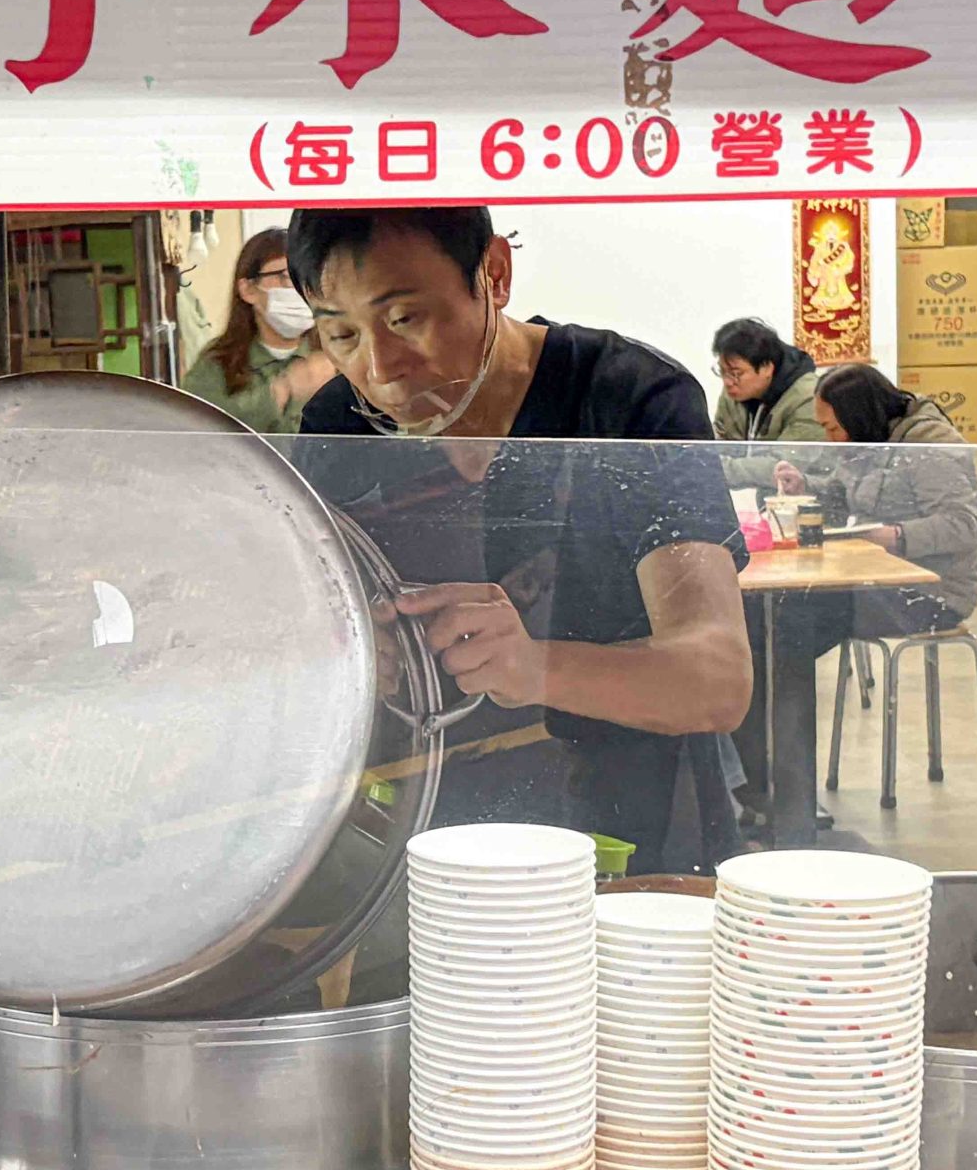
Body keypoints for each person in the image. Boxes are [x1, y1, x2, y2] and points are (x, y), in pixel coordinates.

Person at [287, 206, 752, 874]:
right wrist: (355, 663)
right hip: (428, 838)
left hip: (625, 828)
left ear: (494, 273)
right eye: (341, 333)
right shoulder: (340, 426)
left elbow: (716, 680)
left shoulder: (626, 399)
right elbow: (300, 636)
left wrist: (531, 665)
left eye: (404, 319)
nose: (381, 369)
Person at [776, 364, 977, 641]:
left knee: (795, 615)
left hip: (931, 593)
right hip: (874, 578)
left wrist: (895, 536)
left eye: (834, 428)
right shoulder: (868, 440)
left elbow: (963, 525)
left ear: (859, 417)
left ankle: (775, 684)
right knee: (781, 606)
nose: (831, 439)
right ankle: (773, 684)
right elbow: (843, 496)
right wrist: (805, 486)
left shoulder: (926, 445)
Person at [181, 227, 338, 433]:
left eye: (304, 277)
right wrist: (279, 392)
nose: (297, 290)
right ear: (248, 289)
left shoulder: (337, 353)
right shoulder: (218, 363)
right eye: (285, 277)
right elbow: (194, 431)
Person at [710, 317, 826, 490]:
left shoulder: (809, 398)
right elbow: (715, 444)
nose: (728, 382)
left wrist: (715, 470)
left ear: (767, 368)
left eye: (736, 373)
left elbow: (782, 467)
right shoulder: (734, 393)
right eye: (722, 372)